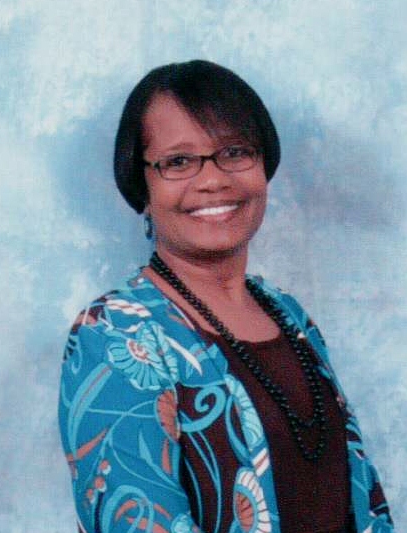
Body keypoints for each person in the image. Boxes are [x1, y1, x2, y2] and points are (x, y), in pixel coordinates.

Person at [58, 60, 395, 533]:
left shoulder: (291, 318)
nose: (213, 180)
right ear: (142, 184)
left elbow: (362, 499)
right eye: (178, 162)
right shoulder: (114, 333)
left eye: (235, 152)